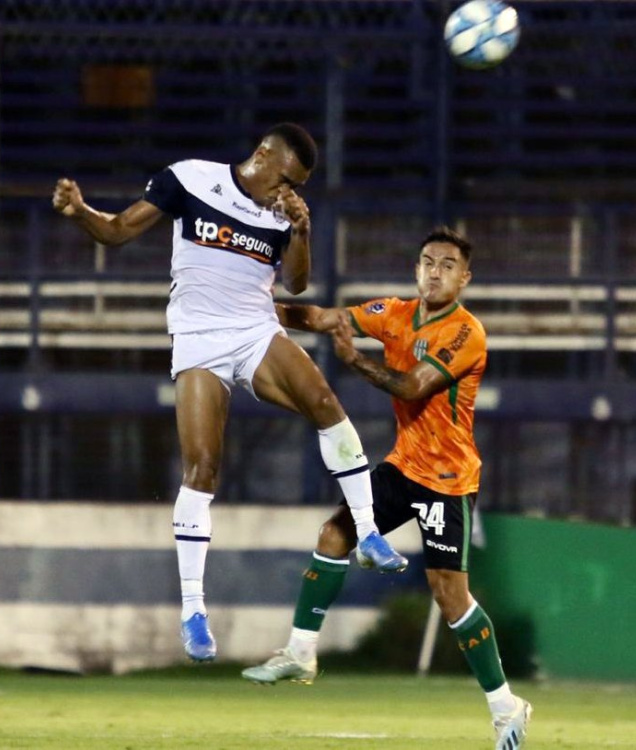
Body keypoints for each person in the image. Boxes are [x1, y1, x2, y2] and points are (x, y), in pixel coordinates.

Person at [51, 123, 407, 663]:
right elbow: (118, 231)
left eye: (298, 186)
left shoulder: (283, 214)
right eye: (286, 179)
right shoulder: (191, 179)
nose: (289, 191)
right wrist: (80, 212)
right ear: (262, 154)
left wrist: (302, 230)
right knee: (202, 469)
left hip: (255, 331)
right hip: (198, 338)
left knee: (325, 403)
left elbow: (296, 285)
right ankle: (194, 611)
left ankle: (368, 531)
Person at [241, 226, 532, 750]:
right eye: (428, 262)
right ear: (416, 269)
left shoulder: (466, 333)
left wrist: (355, 361)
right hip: (403, 467)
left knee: (449, 596)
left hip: (447, 479)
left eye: (447, 265)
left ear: (465, 278)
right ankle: (301, 652)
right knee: (334, 534)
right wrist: (256, 308)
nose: (435, 272)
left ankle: (506, 707)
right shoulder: (394, 313)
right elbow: (324, 317)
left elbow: (414, 386)